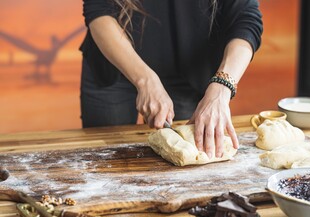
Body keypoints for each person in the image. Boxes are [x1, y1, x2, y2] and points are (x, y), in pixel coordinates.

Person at [80, 0, 263, 159]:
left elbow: (246, 18)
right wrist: (145, 79)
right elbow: (98, 9)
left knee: (186, 169)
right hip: (114, 67)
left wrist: (222, 87)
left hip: (188, 76)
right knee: (104, 161)